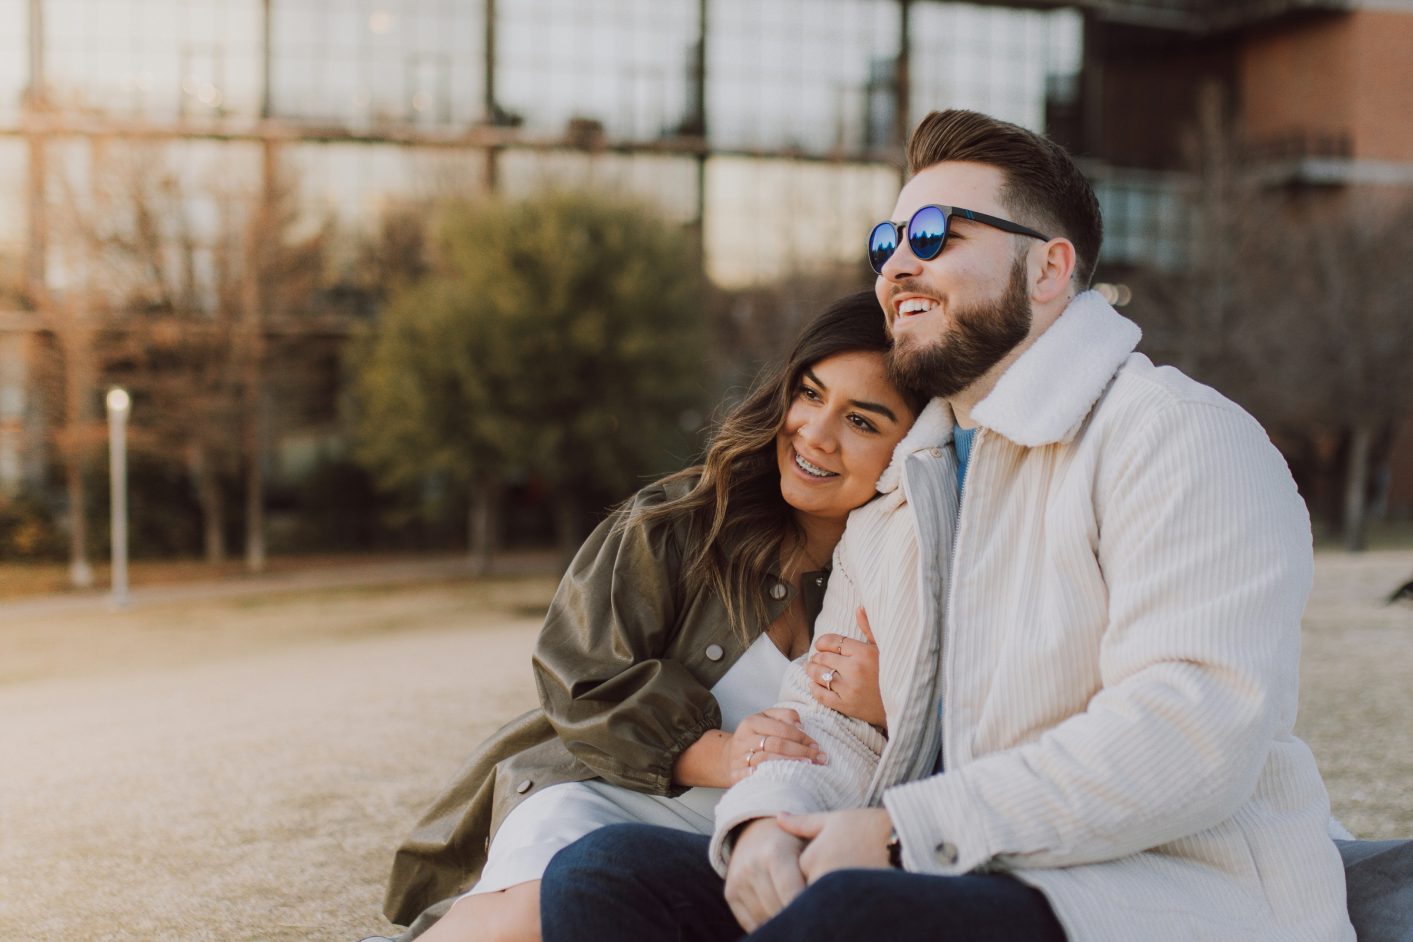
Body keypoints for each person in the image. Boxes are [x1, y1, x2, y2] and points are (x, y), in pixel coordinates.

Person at [538, 109, 1357, 942]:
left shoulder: (1173, 434)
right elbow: (831, 720)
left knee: (851, 913)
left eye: (934, 234)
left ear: (1047, 269)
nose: (897, 263)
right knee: (605, 875)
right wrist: (762, 825)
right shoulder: (907, 480)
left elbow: (1192, 729)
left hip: (1159, 893)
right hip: (962, 867)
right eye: (887, 239)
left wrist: (898, 832)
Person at [372, 290, 941, 942]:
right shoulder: (678, 521)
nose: (814, 432)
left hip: (780, 829)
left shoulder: (916, 573)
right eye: (809, 394)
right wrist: (720, 754)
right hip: (613, 794)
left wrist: (891, 703)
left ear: (915, 449)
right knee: (527, 915)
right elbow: (577, 676)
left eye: (861, 422)